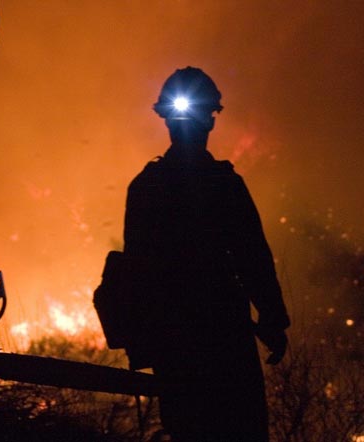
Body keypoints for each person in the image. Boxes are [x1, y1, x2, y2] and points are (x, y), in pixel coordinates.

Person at [121, 67, 289, 441]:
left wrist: (142, 336)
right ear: (211, 121)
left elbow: (136, 269)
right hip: (222, 333)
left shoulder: (147, 187)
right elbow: (253, 257)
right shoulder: (224, 184)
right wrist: (273, 318)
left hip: (178, 338)